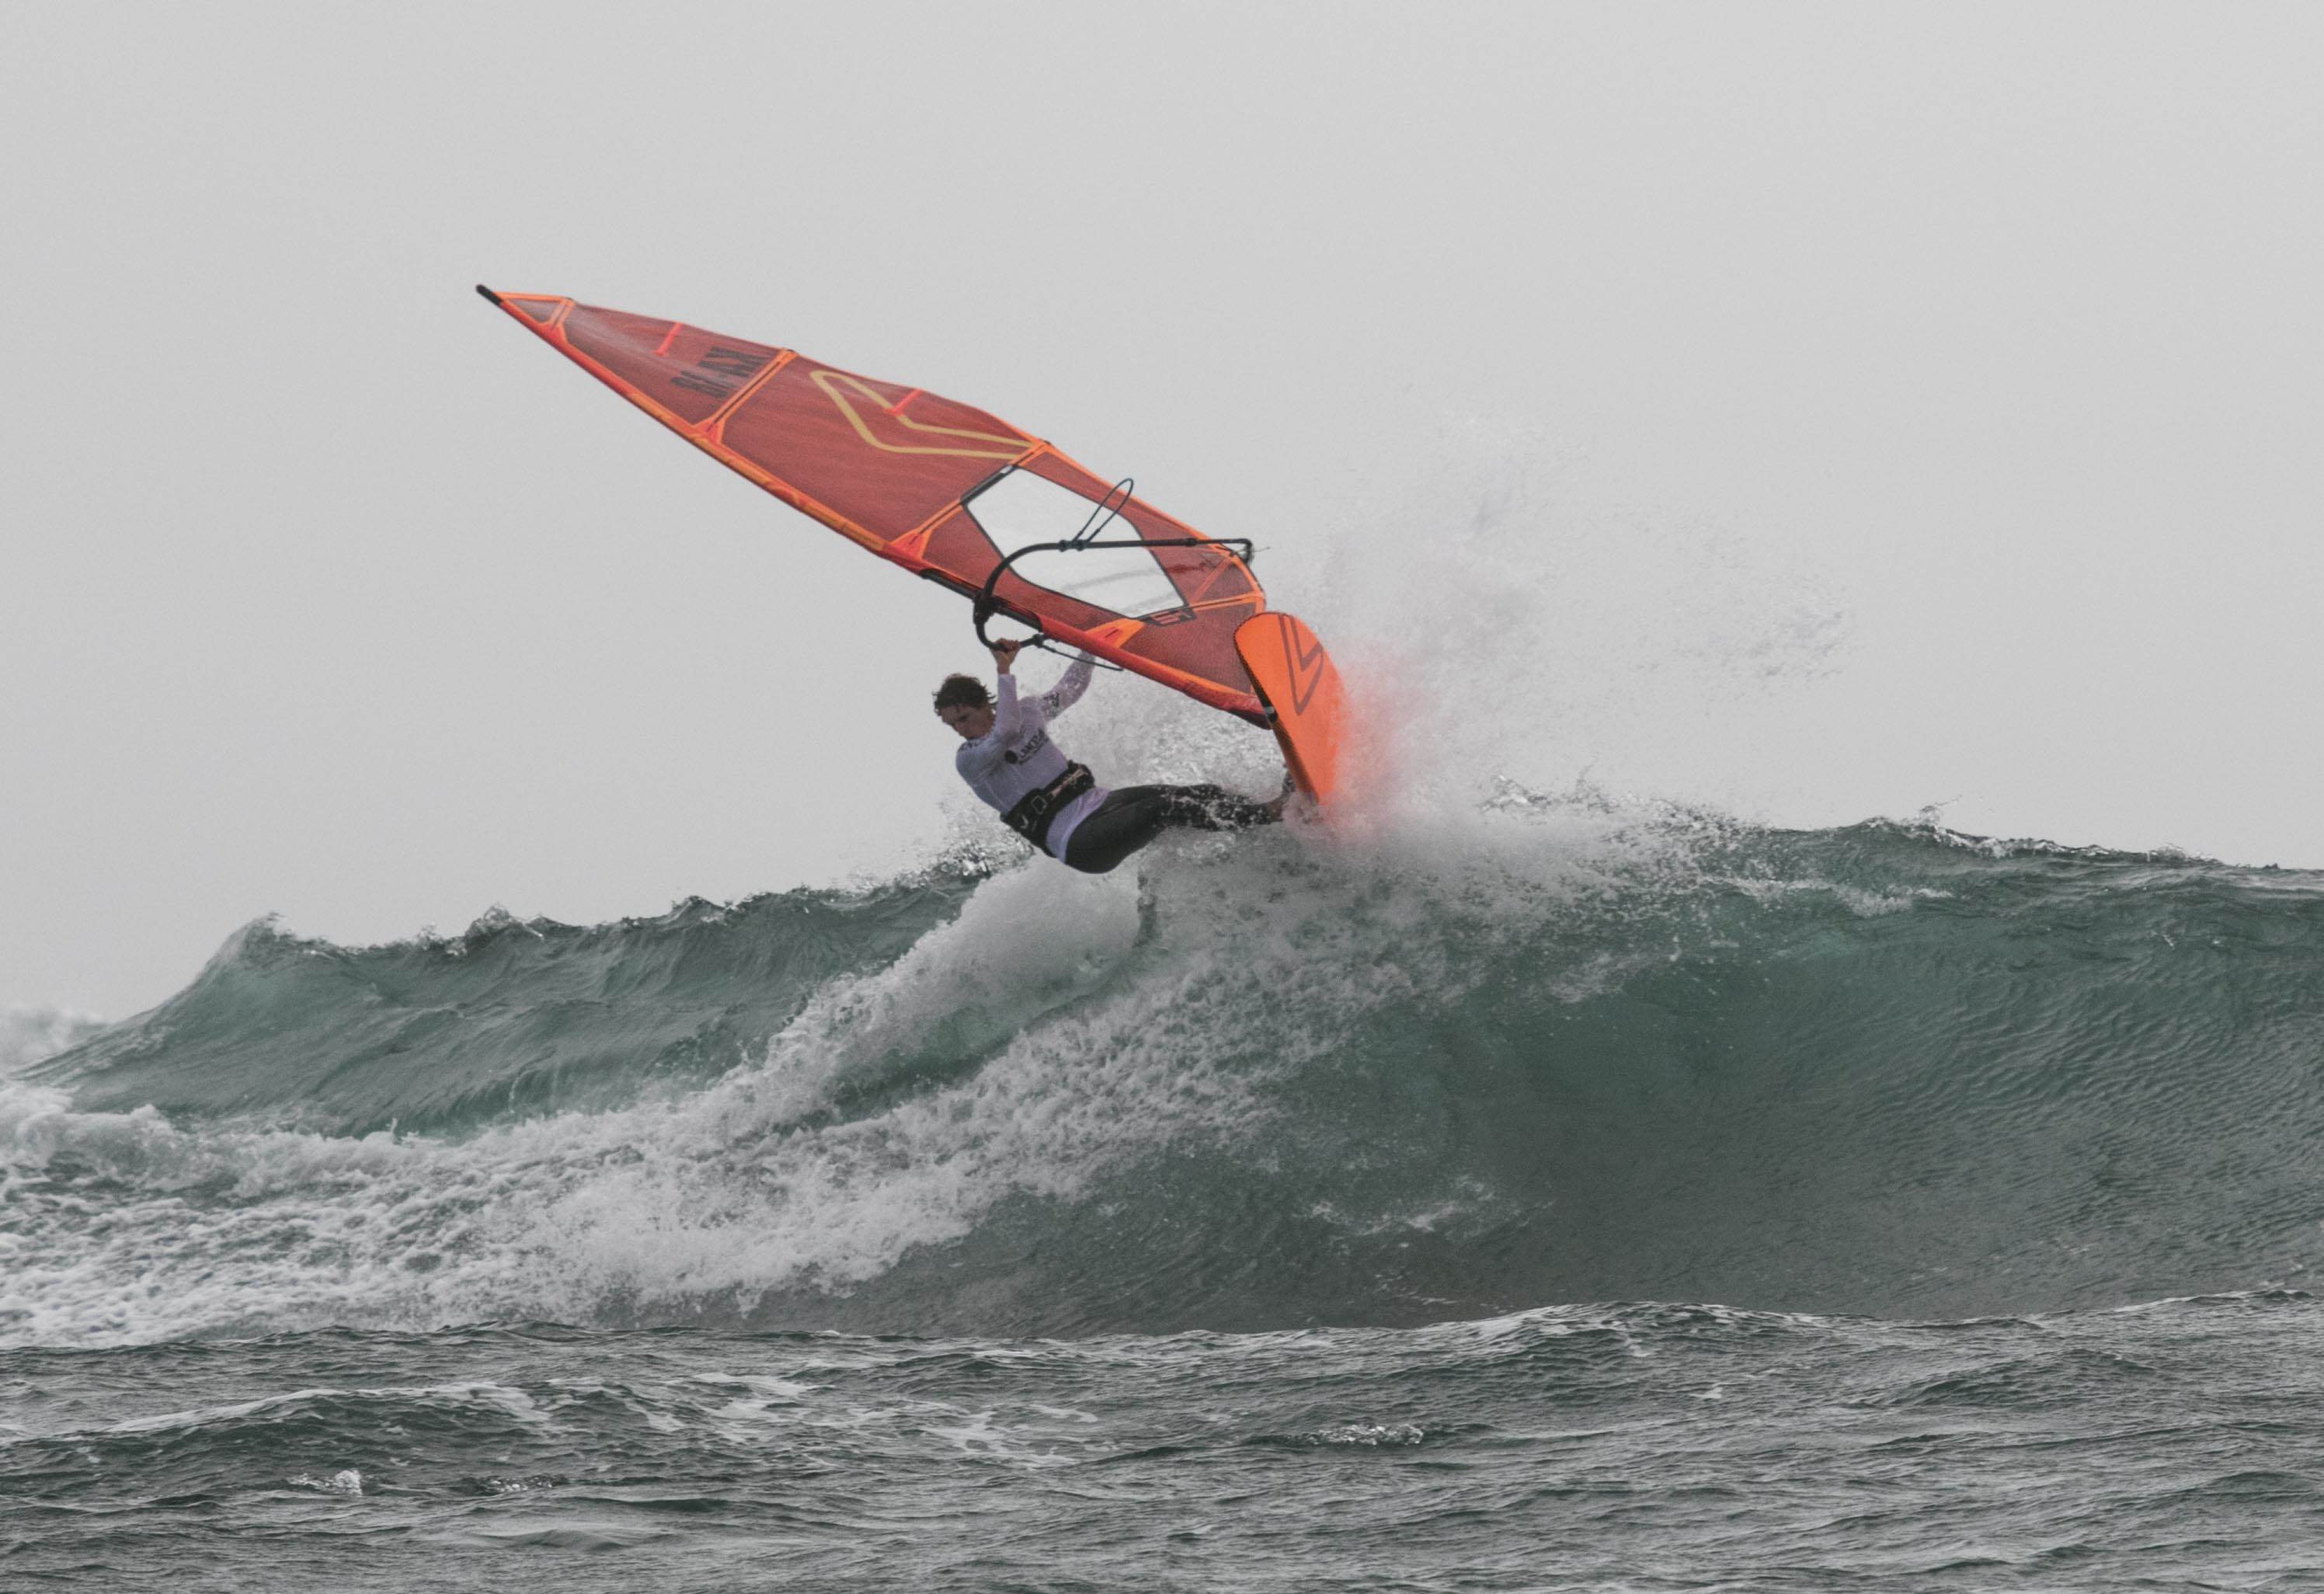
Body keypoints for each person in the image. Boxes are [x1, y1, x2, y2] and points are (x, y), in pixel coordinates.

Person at [936, 639, 1290, 873]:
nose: (961, 730)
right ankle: (1273, 811)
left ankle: (1266, 822)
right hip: (1079, 842)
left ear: (986, 705)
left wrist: (1089, 647)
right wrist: (1004, 669)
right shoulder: (971, 759)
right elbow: (1007, 732)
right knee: (1162, 809)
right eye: (953, 724)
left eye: (964, 718)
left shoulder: (1029, 712)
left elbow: (1070, 689)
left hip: (1100, 805)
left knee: (1201, 792)